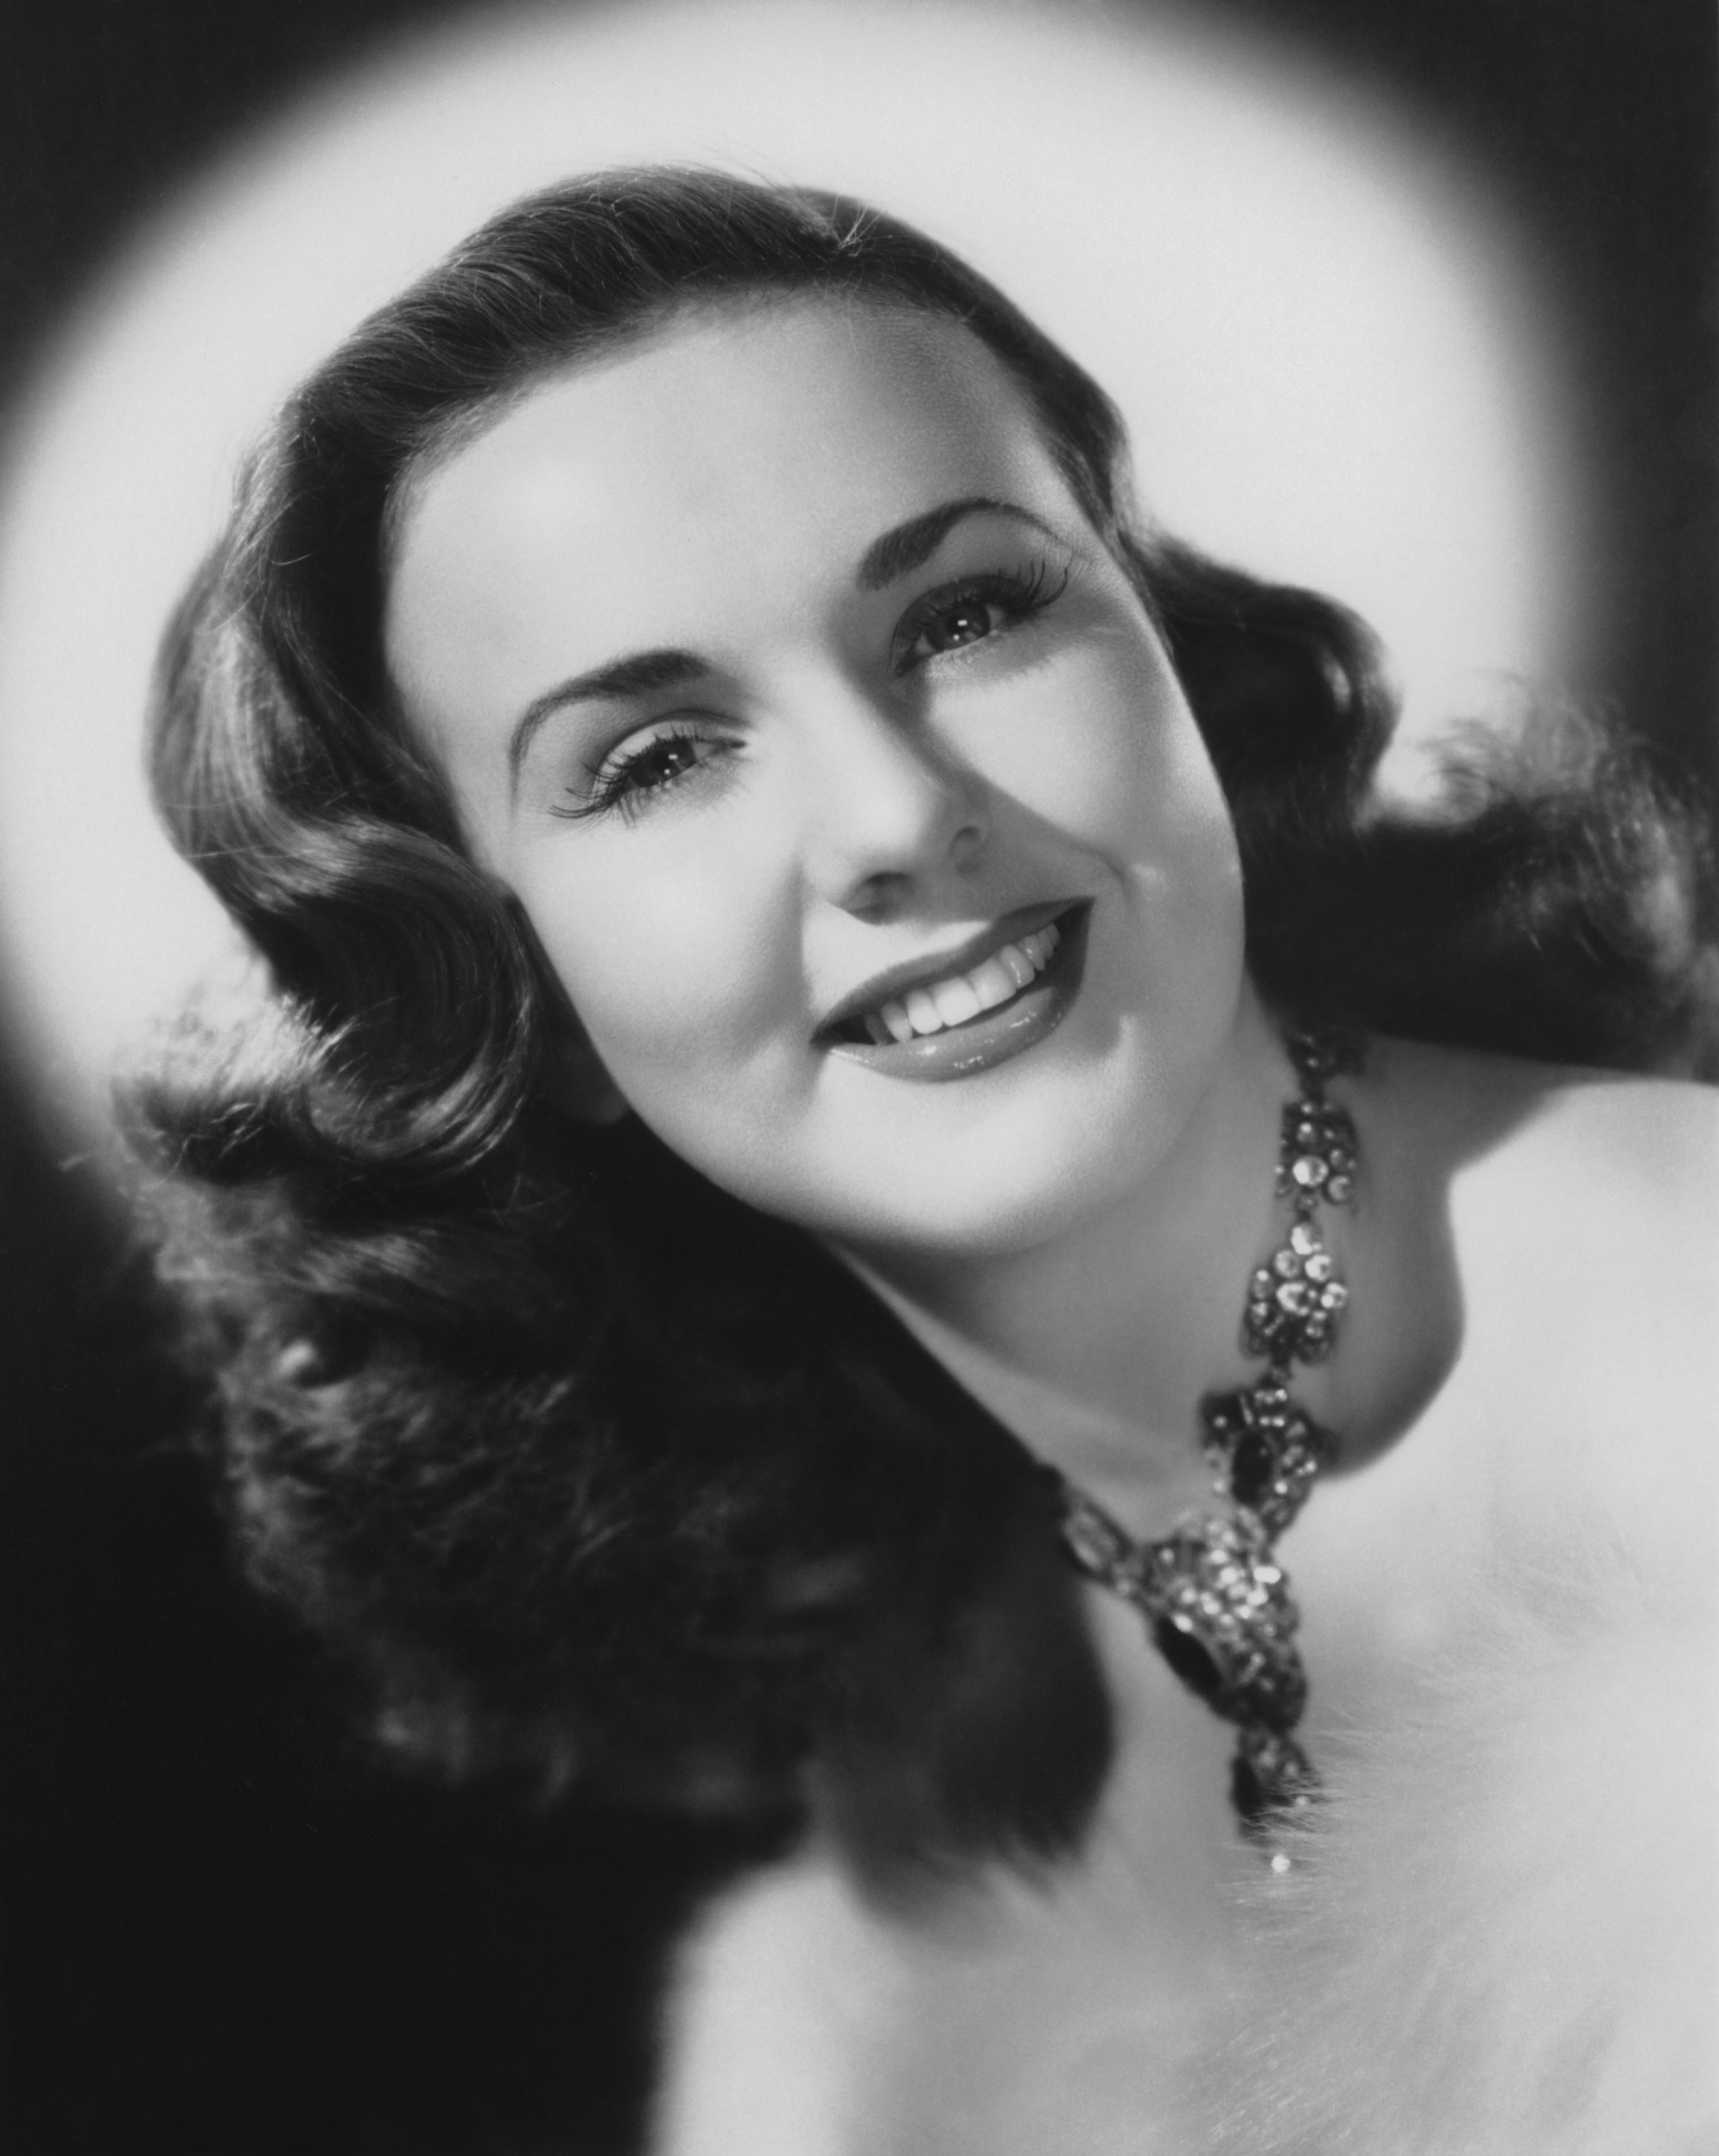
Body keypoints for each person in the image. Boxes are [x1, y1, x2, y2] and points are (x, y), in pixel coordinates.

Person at [134, 169, 1716, 2153]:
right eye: (656, 758)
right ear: (529, 1012)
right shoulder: (937, 1758)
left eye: (964, 615)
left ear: (1164, 657)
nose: (890, 815)